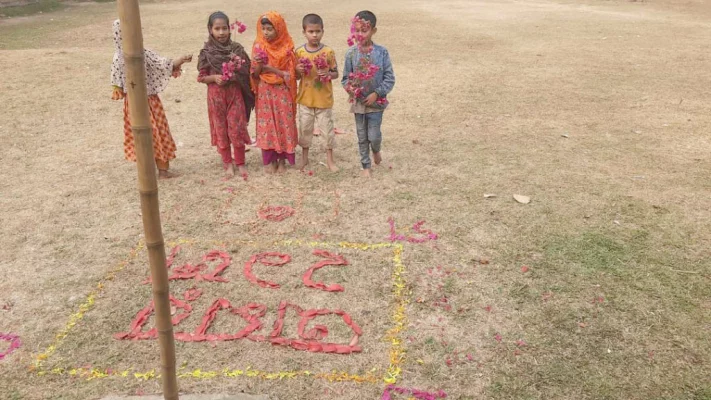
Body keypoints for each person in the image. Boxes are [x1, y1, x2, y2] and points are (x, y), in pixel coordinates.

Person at [111, 20, 191, 179]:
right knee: (150, 135)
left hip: (145, 102)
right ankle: (150, 172)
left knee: (157, 133)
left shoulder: (142, 53)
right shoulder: (120, 57)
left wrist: (179, 60)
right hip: (138, 103)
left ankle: (160, 171)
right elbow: (117, 81)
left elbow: (161, 64)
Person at [197, 11, 254, 179]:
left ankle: (241, 163)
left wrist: (235, 73)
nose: (221, 32)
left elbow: (247, 71)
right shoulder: (206, 52)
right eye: (217, 29)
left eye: (224, 28)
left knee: (236, 128)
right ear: (210, 29)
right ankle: (227, 163)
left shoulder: (236, 50)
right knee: (221, 129)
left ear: (230, 29)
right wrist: (214, 78)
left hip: (235, 95)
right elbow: (201, 77)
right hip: (216, 98)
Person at [341, 10, 395, 178]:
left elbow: (389, 78)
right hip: (358, 104)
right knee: (362, 136)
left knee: (374, 135)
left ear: (373, 31)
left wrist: (377, 93)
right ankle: (366, 165)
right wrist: (352, 89)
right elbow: (345, 79)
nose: (360, 34)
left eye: (364, 30)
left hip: (376, 104)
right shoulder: (351, 53)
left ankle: (376, 149)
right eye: (357, 30)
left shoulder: (382, 52)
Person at [250, 11, 298, 174]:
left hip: (282, 90)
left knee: (283, 123)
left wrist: (270, 68)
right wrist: (258, 64)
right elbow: (255, 74)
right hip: (265, 91)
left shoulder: (287, 47)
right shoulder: (258, 45)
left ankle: (283, 160)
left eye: (270, 29)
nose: (266, 33)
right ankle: (269, 160)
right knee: (268, 125)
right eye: (263, 28)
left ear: (279, 28)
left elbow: (291, 74)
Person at [294, 13, 339, 172]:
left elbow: (335, 73)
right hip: (306, 99)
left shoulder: (328, 52)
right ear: (304, 32)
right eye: (311, 31)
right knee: (305, 129)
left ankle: (330, 160)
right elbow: (296, 76)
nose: (314, 35)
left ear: (323, 31)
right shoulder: (299, 53)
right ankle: (304, 158)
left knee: (327, 130)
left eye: (318, 31)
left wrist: (328, 74)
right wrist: (297, 70)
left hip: (323, 100)